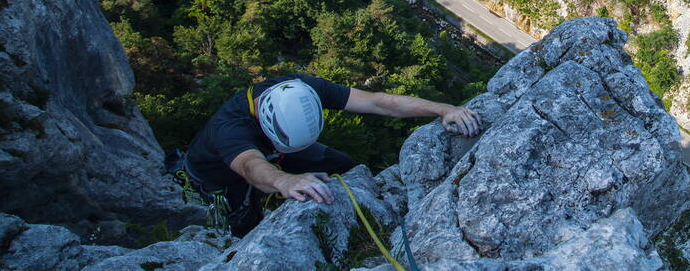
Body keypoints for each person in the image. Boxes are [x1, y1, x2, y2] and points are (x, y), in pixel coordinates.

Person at [182, 73, 481, 236]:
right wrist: (285, 182)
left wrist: (443, 108)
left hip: (277, 155)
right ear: (264, 122)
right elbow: (250, 167)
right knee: (243, 222)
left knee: (341, 166)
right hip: (220, 176)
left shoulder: (300, 89)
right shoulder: (230, 130)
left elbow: (379, 103)